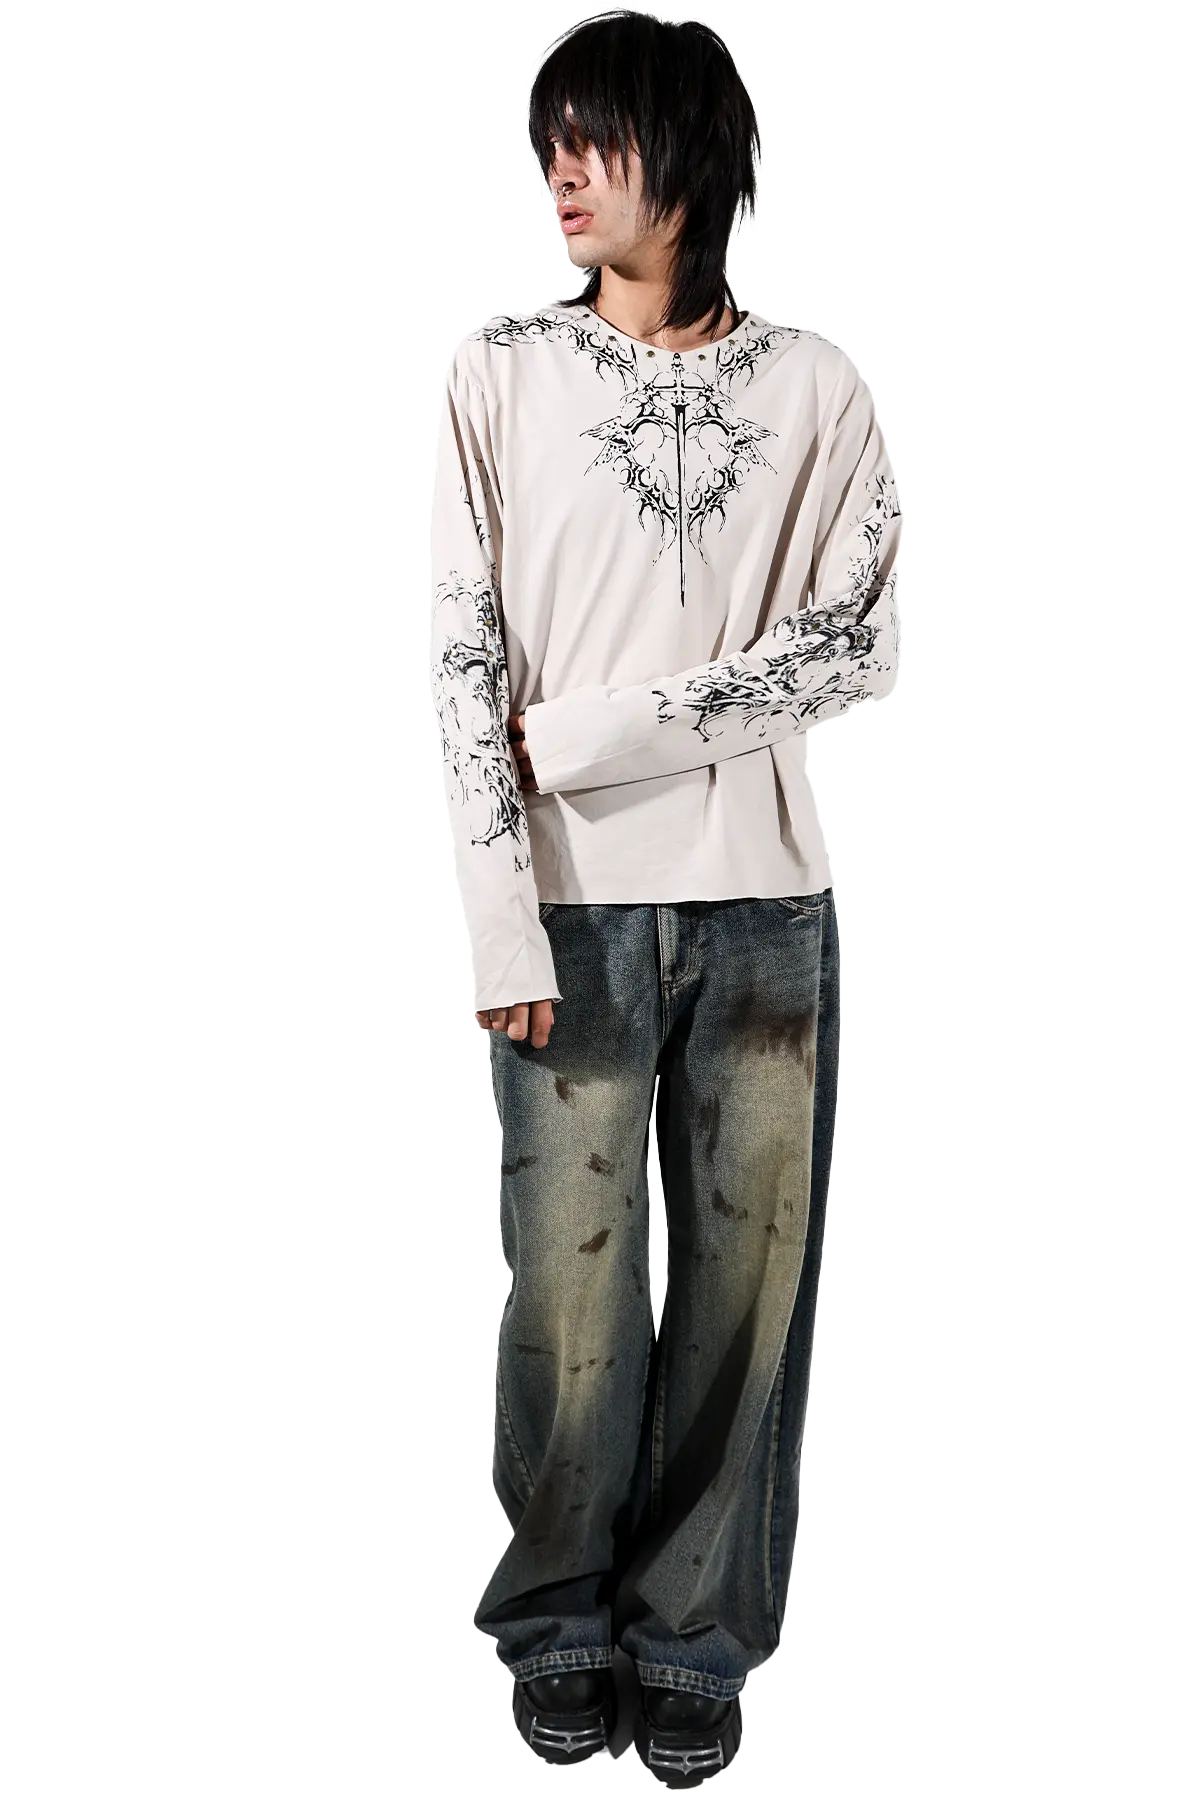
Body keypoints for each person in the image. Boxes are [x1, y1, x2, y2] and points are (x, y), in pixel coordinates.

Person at [428, 8, 903, 1787]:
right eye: (547, 140)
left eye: (596, 138)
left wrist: (595, 736)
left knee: (748, 1297)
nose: (560, 172)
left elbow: (857, 647)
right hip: (564, 909)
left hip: (766, 901)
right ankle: (557, 1619)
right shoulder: (501, 371)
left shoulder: (818, 387)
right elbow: (461, 661)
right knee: (569, 1302)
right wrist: (497, 910)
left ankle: (697, 1640)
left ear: (691, 154)